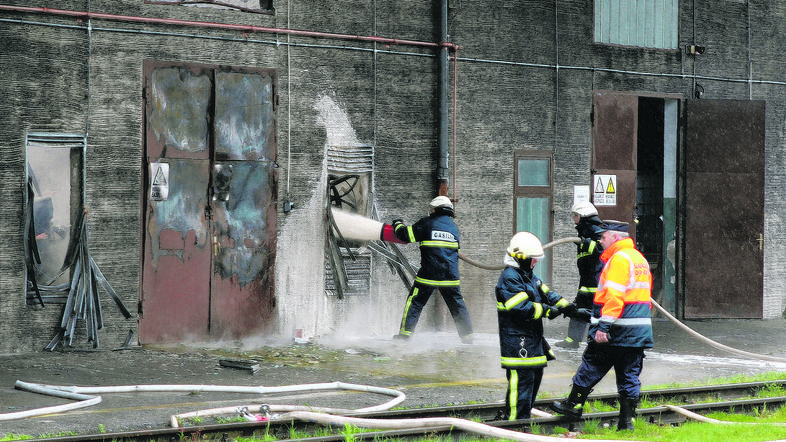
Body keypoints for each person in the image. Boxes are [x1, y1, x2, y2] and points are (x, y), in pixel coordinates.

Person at [549, 221, 653, 431]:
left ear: (615, 237)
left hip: (615, 331)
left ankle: (574, 405)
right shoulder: (638, 259)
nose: (600, 239)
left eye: (603, 236)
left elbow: (614, 297)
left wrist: (603, 327)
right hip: (637, 333)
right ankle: (627, 423)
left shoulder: (618, 260)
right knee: (629, 375)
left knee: (592, 364)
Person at [495, 231, 570, 421]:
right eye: (533, 259)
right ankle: (514, 423)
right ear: (520, 257)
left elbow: (547, 293)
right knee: (521, 383)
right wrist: (547, 311)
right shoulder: (510, 278)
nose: (536, 262)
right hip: (517, 340)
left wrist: (569, 308)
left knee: (534, 379)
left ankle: (523, 417)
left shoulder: (528, 275)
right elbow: (521, 308)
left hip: (531, 339)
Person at [389, 196, 474, 343]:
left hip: (429, 274)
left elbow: (405, 236)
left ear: (435, 209)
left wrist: (398, 224)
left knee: (415, 302)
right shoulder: (454, 228)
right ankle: (468, 338)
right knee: (457, 304)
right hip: (450, 276)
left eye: (432, 208)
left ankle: (404, 336)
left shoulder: (427, 223)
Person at [555, 201, 605, 349]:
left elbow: (601, 250)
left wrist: (586, 242)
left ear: (583, 216)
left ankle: (601, 343)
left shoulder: (596, 232)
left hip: (596, 284)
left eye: (575, 215)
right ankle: (572, 341)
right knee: (577, 310)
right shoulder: (584, 232)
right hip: (586, 282)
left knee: (598, 315)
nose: (573, 218)